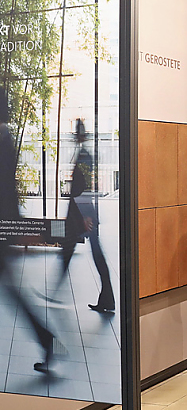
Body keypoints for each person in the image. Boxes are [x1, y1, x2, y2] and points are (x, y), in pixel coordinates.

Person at [0, 89, 59, 372]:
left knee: (13, 293)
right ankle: (45, 339)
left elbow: (6, 191)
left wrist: (11, 230)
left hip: (2, 229)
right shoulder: (5, 135)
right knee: (13, 292)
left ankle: (46, 339)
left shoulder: (2, 137)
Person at [60, 119, 115, 314]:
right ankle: (107, 298)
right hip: (81, 213)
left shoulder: (84, 156)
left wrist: (85, 216)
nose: (75, 136)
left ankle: (107, 297)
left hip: (83, 214)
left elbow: (84, 188)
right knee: (71, 248)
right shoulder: (84, 154)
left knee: (94, 254)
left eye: (77, 133)